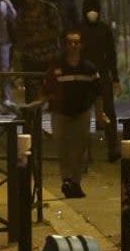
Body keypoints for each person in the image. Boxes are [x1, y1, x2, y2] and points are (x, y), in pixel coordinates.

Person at [43, 30, 109, 199]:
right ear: (65, 45)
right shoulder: (57, 67)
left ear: (81, 45)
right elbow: (47, 89)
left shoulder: (89, 68)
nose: (73, 46)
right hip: (60, 113)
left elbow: (98, 93)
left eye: (76, 42)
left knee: (80, 150)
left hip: (81, 113)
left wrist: (100, 115)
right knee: (62, 148)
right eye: (70, 42)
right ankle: (66, 180)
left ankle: (76, 182)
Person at [78, 0, 121, 161]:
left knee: (108, 112)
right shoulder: (79, 29)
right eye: (90, 8)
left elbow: (111, 54)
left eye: (94, 8)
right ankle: (85, 152)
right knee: (83, 115)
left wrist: (115, 76)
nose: (92, 12)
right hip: (84, 76)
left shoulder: (104, 29)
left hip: (102, 75)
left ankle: (112, 148)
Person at [16, 0, 63, 103]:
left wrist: (40, 38)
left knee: (54, 92)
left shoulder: (49, 9)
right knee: (32, 95)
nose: (29, 0)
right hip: (31, 58)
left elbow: (57, 31)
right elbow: (19, 34)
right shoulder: (22, 13)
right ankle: (33, 120)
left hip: (49, 57)